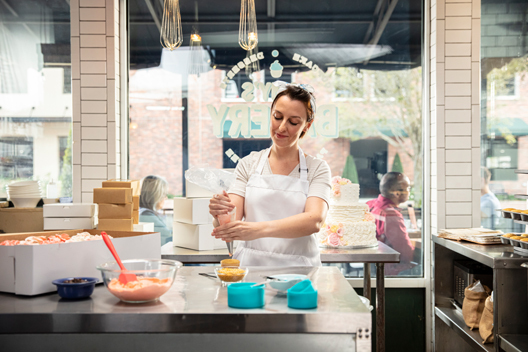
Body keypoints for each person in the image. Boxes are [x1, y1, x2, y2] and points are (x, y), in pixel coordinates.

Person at [208, 83, 331, 266]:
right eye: (277, 117)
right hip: (251, 267)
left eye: (293, 122)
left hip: (300, 271)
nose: (281, 128)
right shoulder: (248, 164)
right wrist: (220, 213)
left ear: (307, 126)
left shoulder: (317, 168)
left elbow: (314, 221)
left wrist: (258, 230)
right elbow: (230, 222)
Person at [366, 172, 415, 275]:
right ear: (397, 193)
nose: (409, 191)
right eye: (408, 188)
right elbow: (405, 253)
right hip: (390, 270)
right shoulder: (390, 214)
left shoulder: (370, 205)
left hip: (373, 265)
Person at [139, 175, 172, 245]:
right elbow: (167, 236)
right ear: (156, 196)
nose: (165, 198)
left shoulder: (146, 213)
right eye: (164, 194)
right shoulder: (146, 216)